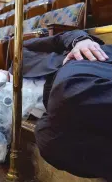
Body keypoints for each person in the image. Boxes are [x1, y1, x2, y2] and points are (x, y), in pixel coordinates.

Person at [16, 30, 112, 179]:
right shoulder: (5, 96)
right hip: (58, 101)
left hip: (81, 62)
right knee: (47, 140)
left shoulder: (21, 53)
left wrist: (80, 40)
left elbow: (61, 37)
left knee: (68, 90)